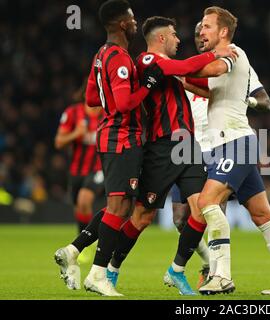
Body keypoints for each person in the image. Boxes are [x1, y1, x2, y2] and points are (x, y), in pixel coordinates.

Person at [103, 16, 238, 296]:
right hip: (162, 147)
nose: (179, 39)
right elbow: (186, 65)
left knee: (202, 207)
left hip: (187, 144)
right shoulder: (147, 61)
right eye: (175, 35)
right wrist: (215, 53)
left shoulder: (171, 70)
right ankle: (111, 269)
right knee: (142, 216)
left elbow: (189, 74)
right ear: (161, 38)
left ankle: (176, 270)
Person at [181, 6, 270, 295]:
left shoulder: (233, 53)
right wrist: (181, 79)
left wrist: (174, 67)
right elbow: (210, 90)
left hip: (234, 142)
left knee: (207, 202)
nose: (201, 31)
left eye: (208, 26)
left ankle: (221, 275)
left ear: (223, 32)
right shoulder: (220, 60)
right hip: (235, 142)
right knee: (262, 214)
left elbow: (213, 69)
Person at [54, 0, 162, 296]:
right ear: (122, 24)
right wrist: (148, 85)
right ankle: (97, 275)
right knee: (118, 208)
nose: (136, 22)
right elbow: (126, 103)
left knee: (123, 207)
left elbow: (91, 97)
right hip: (122, 137)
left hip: (111, 135)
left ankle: (74, 251)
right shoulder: (119, 57)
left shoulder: (101, 55)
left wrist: (113, 103)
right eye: (132, 17)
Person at [168, 21, 270, 289]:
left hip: (221, 145)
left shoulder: (233, 64)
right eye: (198, 34)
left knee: (215, 208)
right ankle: (207, 263)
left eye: (206, 32)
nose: (202, 37)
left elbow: (265, 101)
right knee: (181, 219)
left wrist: (245, 100)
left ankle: (219, 273)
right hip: (189, 149)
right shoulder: (188, 71)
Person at [54, 81, 104, 264]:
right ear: (86, 94)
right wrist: (76, 133)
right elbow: (59, 142)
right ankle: (84, 239)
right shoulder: (72, 113)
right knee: (79, 207)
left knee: (85, 199)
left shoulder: (108, 114)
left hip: (99, 169)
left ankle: (85, 245)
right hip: (77, 170)